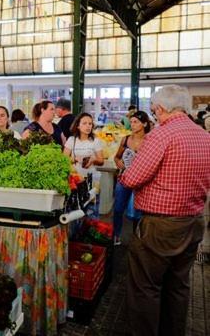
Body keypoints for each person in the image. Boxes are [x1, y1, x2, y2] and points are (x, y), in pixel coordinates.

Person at [120, 85, 210, 336]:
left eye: (154, 110)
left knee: (145, 287)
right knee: (178, 286)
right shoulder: (204, 136)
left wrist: (124, 173)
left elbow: (132, 178)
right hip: (193, 222)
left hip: (161, 226)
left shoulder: (161, 135)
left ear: (161, 109)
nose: (154, 115)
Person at [112, 111, 151, 246]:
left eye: (136, 122)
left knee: (138, 211)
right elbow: (116, 157)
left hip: (141, 182)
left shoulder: (150, 140)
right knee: (118, 208)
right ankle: (116, 235)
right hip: (124, 179)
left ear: (144, 124)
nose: (132, 125)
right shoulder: (126, 139)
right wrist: (119, 163)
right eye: (132, 122)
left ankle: (136, 237)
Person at [63, 113, 104, 177]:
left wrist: (93, 160)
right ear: (78, 126)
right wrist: (75, 159)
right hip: (74, 177)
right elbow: (64, 160)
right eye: (84, 123)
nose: (88, 126)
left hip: (90, 177)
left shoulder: (95, 141)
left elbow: (101, 161)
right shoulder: (71, 140)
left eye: (90, 124)